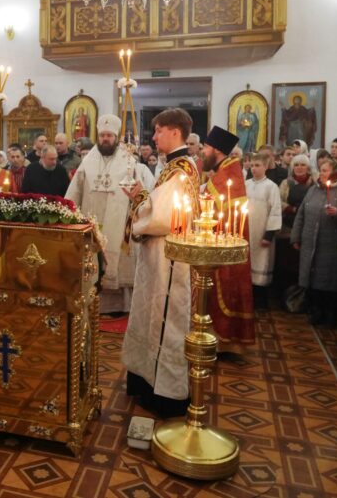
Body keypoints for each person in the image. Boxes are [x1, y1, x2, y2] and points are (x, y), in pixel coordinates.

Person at [121, 108, 199, 418]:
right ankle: (144, 382)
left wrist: (140, 201)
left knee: (164, 321)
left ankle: (165, 395)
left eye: (159, 131)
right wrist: (142, 196)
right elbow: (159, 204)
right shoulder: (173, 166)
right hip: (159, 256)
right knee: (149, 316)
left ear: (175, 132)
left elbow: (161, 217)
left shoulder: (181, 169)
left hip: (169, 260)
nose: (154, 137)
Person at [67, 114, 154, 313]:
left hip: (118, 222)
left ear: (116, 138)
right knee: (92, 261)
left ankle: (119, 306)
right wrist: (70, 214)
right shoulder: (87, 163)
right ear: (98, 137)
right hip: (91, 220)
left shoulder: (129, 162)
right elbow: (74, 192)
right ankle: (91, 301)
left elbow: (139, 193)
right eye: (103, 135)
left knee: (118, 263)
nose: (106, 139)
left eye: (109, 136)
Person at [202, 126, 255, 352]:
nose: (203, 152)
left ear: (216, 149)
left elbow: (215, 210)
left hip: (225, 241)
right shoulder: (225, 171)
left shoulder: (227, 175)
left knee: (225, 286)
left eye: (206, 147)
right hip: (222, 239)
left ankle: (224, 341)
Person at [291, 159, 337, 327]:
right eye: (320, 170)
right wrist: (296, 236)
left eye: (325, 170)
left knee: (330, 281)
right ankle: (316, 311)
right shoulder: (313, 189)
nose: (321, 173)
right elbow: (301, 214)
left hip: (334, 246)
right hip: (310, 243)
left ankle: (330, 314)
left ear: (335, 173)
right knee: (313, 279)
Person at [245, 153, 283, 309]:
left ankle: (261, 301)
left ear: (265, 167)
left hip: (262, 233)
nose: (254, 169)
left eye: (257, 165)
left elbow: (275, 211)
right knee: (246, 264)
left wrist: (269, 235)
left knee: (261, 263)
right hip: (247, 232)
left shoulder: (271, 187)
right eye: (252, 166)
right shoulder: (246, 184)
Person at [275, 154, 314, 294]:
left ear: (308, 167)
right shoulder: (286, 183)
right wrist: (291, 209)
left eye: (303, 165)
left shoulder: (314, 183)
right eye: (296, 165)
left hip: (307, 228)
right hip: (287, 228)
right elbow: (278, 201)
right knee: (287, 262)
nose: (299, 167)